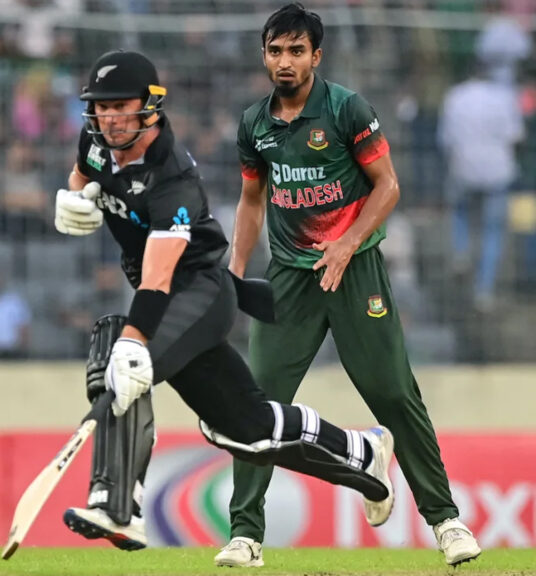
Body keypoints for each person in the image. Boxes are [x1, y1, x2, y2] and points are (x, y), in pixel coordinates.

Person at [53, 48, 396, 555]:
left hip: (198, 293)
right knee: (246, 431)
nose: (109, 118)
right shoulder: (96, 142)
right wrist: (74, 198)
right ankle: (362, 453)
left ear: (149, 107)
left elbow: (159, 275)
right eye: (101, 108)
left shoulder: (173, 177)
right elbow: (82, 175)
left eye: (120, 106)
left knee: (124, 360)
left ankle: (118, 506)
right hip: (164, 297)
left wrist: (135, 338)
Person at [219, 3, 481, 568]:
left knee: (393, 393)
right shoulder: (254, 124)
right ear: (264, 55)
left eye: (296, 51)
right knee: (256, 406)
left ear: (316, 55)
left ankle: (446, 522)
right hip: (289, 278)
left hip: (355, 269)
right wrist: (234, 271)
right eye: (275, 51)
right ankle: (245, 535)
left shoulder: (345, 109)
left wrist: (346, 242)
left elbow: (388, 186)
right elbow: (251, 200)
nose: (285, 61)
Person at [438, 21, 528, 310]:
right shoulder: (504, 98)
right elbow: (516, 137)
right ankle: (484, 289)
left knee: (460, 211)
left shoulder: (455, 96)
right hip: (497, 171)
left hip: (464, 168)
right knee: (492, 231)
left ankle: (461, 252)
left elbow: (445, 140)